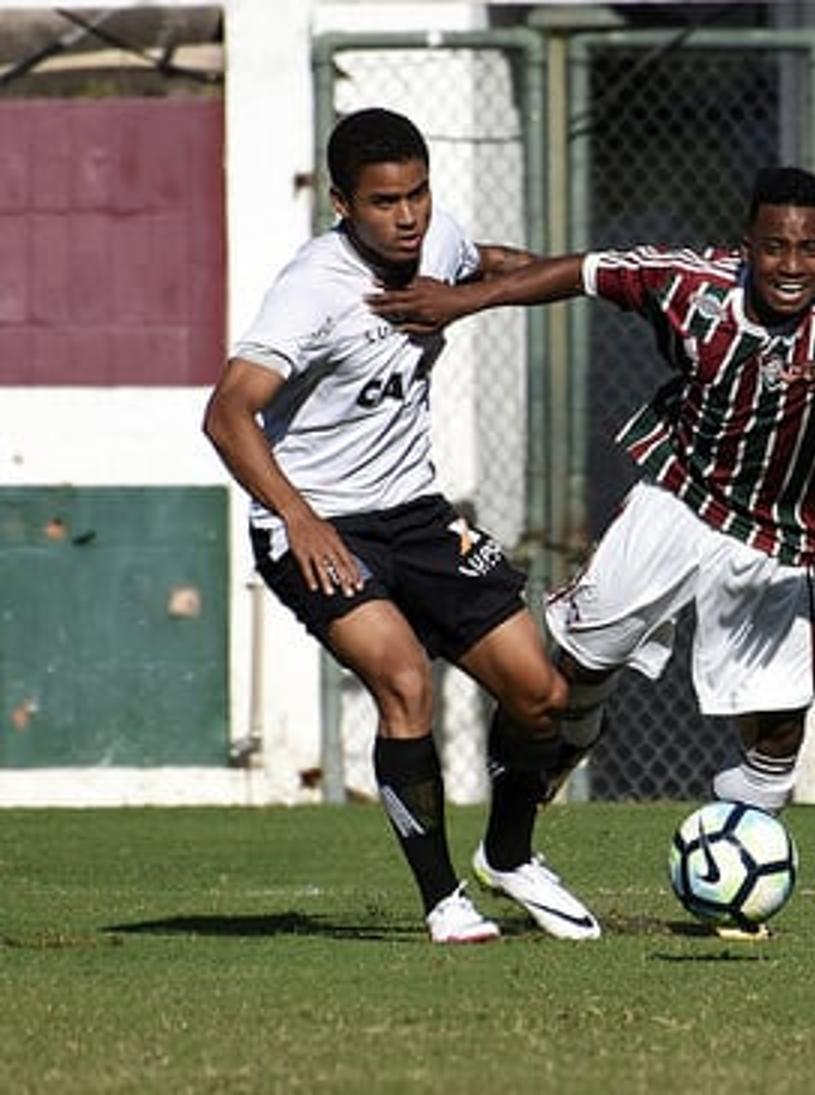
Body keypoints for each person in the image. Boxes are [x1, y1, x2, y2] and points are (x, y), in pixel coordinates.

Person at [368, 167, 815, 820]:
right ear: (747, 245)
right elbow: (584, 271)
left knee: (778, 731)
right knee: (575, 666)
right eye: (775, 246)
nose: (791, 264)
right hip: (680, 499)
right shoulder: (695, 283)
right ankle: (549, 774)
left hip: (777, 538)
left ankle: (736, 852)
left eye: (809, 249)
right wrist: (467, 301)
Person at [203, 108, 601, 944]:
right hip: (316, 523)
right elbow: (228, 413)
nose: (409, 215)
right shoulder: (311, 292)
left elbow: (496, 265)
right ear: (343, 204)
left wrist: (486, 295)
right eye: (385, 201)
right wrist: (300, 519)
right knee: (405, 681)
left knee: (543, 696)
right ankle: (443, 899)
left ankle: (511, 854)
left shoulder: (438, 240)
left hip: (415, 513)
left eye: (418, 193)